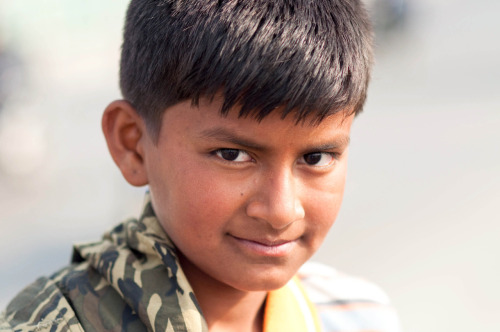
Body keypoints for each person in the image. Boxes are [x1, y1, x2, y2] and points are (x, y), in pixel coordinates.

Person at [1, 1, 401, 331]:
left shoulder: (358, 316)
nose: (281, 211)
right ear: (133, 144)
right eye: (232, 155)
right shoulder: (52, 323)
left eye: (315, 158)